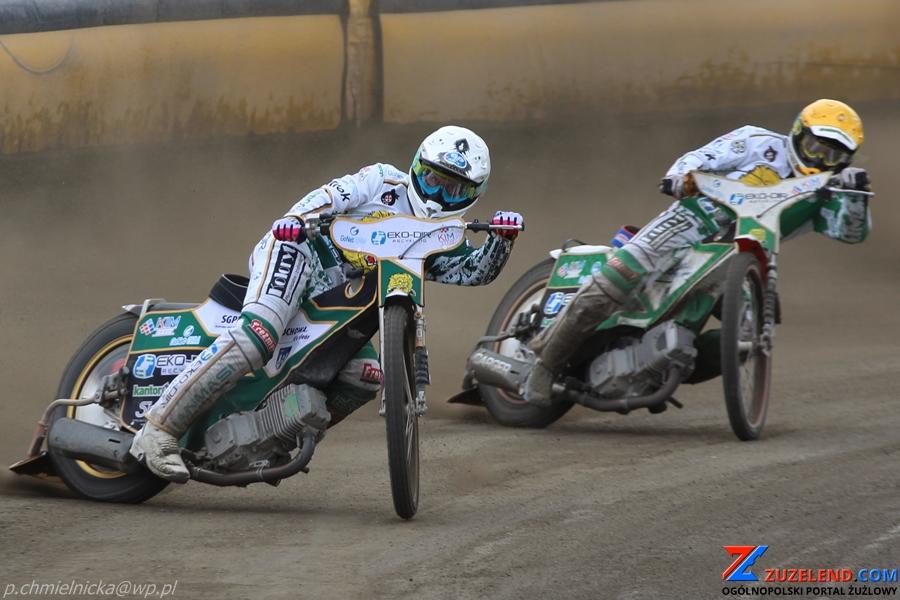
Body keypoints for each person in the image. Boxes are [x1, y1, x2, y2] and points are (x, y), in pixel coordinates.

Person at [130, 125, 524, 481]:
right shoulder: (381, 180)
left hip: (336, 300)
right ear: (416, 167)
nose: (437, 196)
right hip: (297, 252)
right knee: (259, 337)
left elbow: (473, 271)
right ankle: (158, 430)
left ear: (474, 194)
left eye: (453, 190)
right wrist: (298, 219)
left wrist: (501, 241)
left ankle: (265, 439)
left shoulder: (443, 236)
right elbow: (331, 195)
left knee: (365, 374)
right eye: (433, 180)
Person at [524, 98, 872, 405]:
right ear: (797, 133)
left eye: (833, 156)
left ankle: (661, 368)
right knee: (622, 274)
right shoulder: (756, 141)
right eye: (815, 147)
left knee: (748, 336)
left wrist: (856, 196)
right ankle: (545, 365)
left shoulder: (830, 192)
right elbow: (702, 157)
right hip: (691, 221)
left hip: (743, 255)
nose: (820, 159)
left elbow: (850, 232)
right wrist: (682, 177)